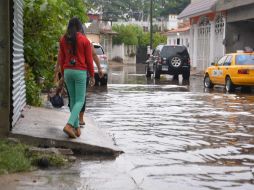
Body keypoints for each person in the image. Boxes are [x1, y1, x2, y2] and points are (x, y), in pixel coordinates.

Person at [58, 17, 95, 138]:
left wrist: (63, 75)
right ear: (80, 27)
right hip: (80, 72)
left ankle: (76, 128)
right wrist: (92, 75)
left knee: (73, 101)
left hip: (67, 71)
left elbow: (62, 59)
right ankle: (69, 125)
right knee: (80, 100)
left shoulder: (63, 39)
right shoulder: (84, 40)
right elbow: (89, 61)